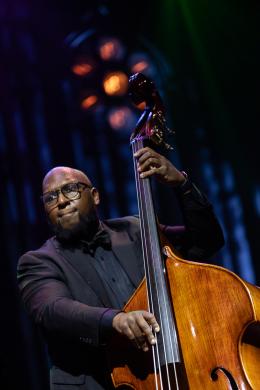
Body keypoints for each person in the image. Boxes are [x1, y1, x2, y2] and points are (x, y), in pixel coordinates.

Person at [17, 146, 224, 390]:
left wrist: (181, 184)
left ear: (94, 196)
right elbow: (53, 311)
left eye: (70, 190)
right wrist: (115, 321)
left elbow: (206, 241)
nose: (61, 201)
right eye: (50, 198)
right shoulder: (37, 262)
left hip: (170, 372)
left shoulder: (135, 229)